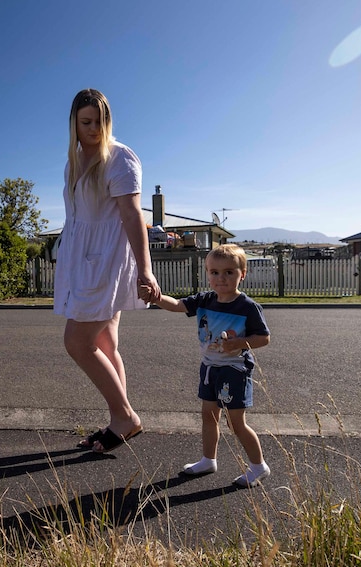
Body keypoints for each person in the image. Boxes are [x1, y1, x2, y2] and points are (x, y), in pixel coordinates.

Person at [53, 88, 160, 454]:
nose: (94, 129)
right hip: (81, 259)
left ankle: (124, 416)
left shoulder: (119, 158)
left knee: (77, 342)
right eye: (86, 122)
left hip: (106, 261)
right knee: (104, 343)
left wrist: (145, 270)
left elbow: (133, 216)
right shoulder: (73, 161)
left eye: (100, 121)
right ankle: (120, 423)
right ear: (74, 124)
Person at [139, 244, 271, 487]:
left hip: (235, 371)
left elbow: (263, 338)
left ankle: (258, 466)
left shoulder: (248, 307)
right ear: (207, 274)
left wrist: (240, 343)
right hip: (210, 368)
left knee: (235, 423)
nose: (221, 278)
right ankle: (208, 460)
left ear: (243, 274)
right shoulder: (205, 299)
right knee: (208, 416)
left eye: (229, 272)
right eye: (214, 272)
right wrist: (156, 298)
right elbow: (178, 305)